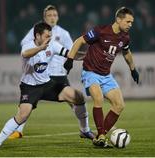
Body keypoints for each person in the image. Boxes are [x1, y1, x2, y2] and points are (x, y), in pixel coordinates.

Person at [0, 22, 93, 151]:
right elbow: (25, 54)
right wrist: (40, 48)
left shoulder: (53, 45)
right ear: (37, 35)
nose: (49, 38)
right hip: (30, 87)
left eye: (50, 35)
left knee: (78, 97)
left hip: (47, 84)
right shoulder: (28, 45)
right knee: (22, 115)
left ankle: (85, 130)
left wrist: (86, 56)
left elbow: (69, 53)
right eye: (46, 36)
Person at [9, 5, 94, 140]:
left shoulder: (64, 34)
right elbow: (25, 46)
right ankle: (18, 130)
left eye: (54, 15)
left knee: (75, 100)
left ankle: (85, 129)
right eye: (49, 15)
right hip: (43, 74)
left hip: (59, 73)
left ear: (58, 17)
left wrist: (80, 57)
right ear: (44, 17)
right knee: (27, 102)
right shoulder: (34, 32)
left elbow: (71, 51)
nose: (52, 18)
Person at [64, 7, 139, 148]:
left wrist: (133, 69)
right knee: (98, 98)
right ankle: (102, 135)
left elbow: (126, 52)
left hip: (106, 75)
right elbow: (80, 41)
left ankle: (100, 136)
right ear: (118, 19)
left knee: (119, 105)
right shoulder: (101, 31)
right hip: (90, 72)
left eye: (132, 22)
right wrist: (70, 59)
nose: (130, 25)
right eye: (128, 21)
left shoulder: (125, 37)